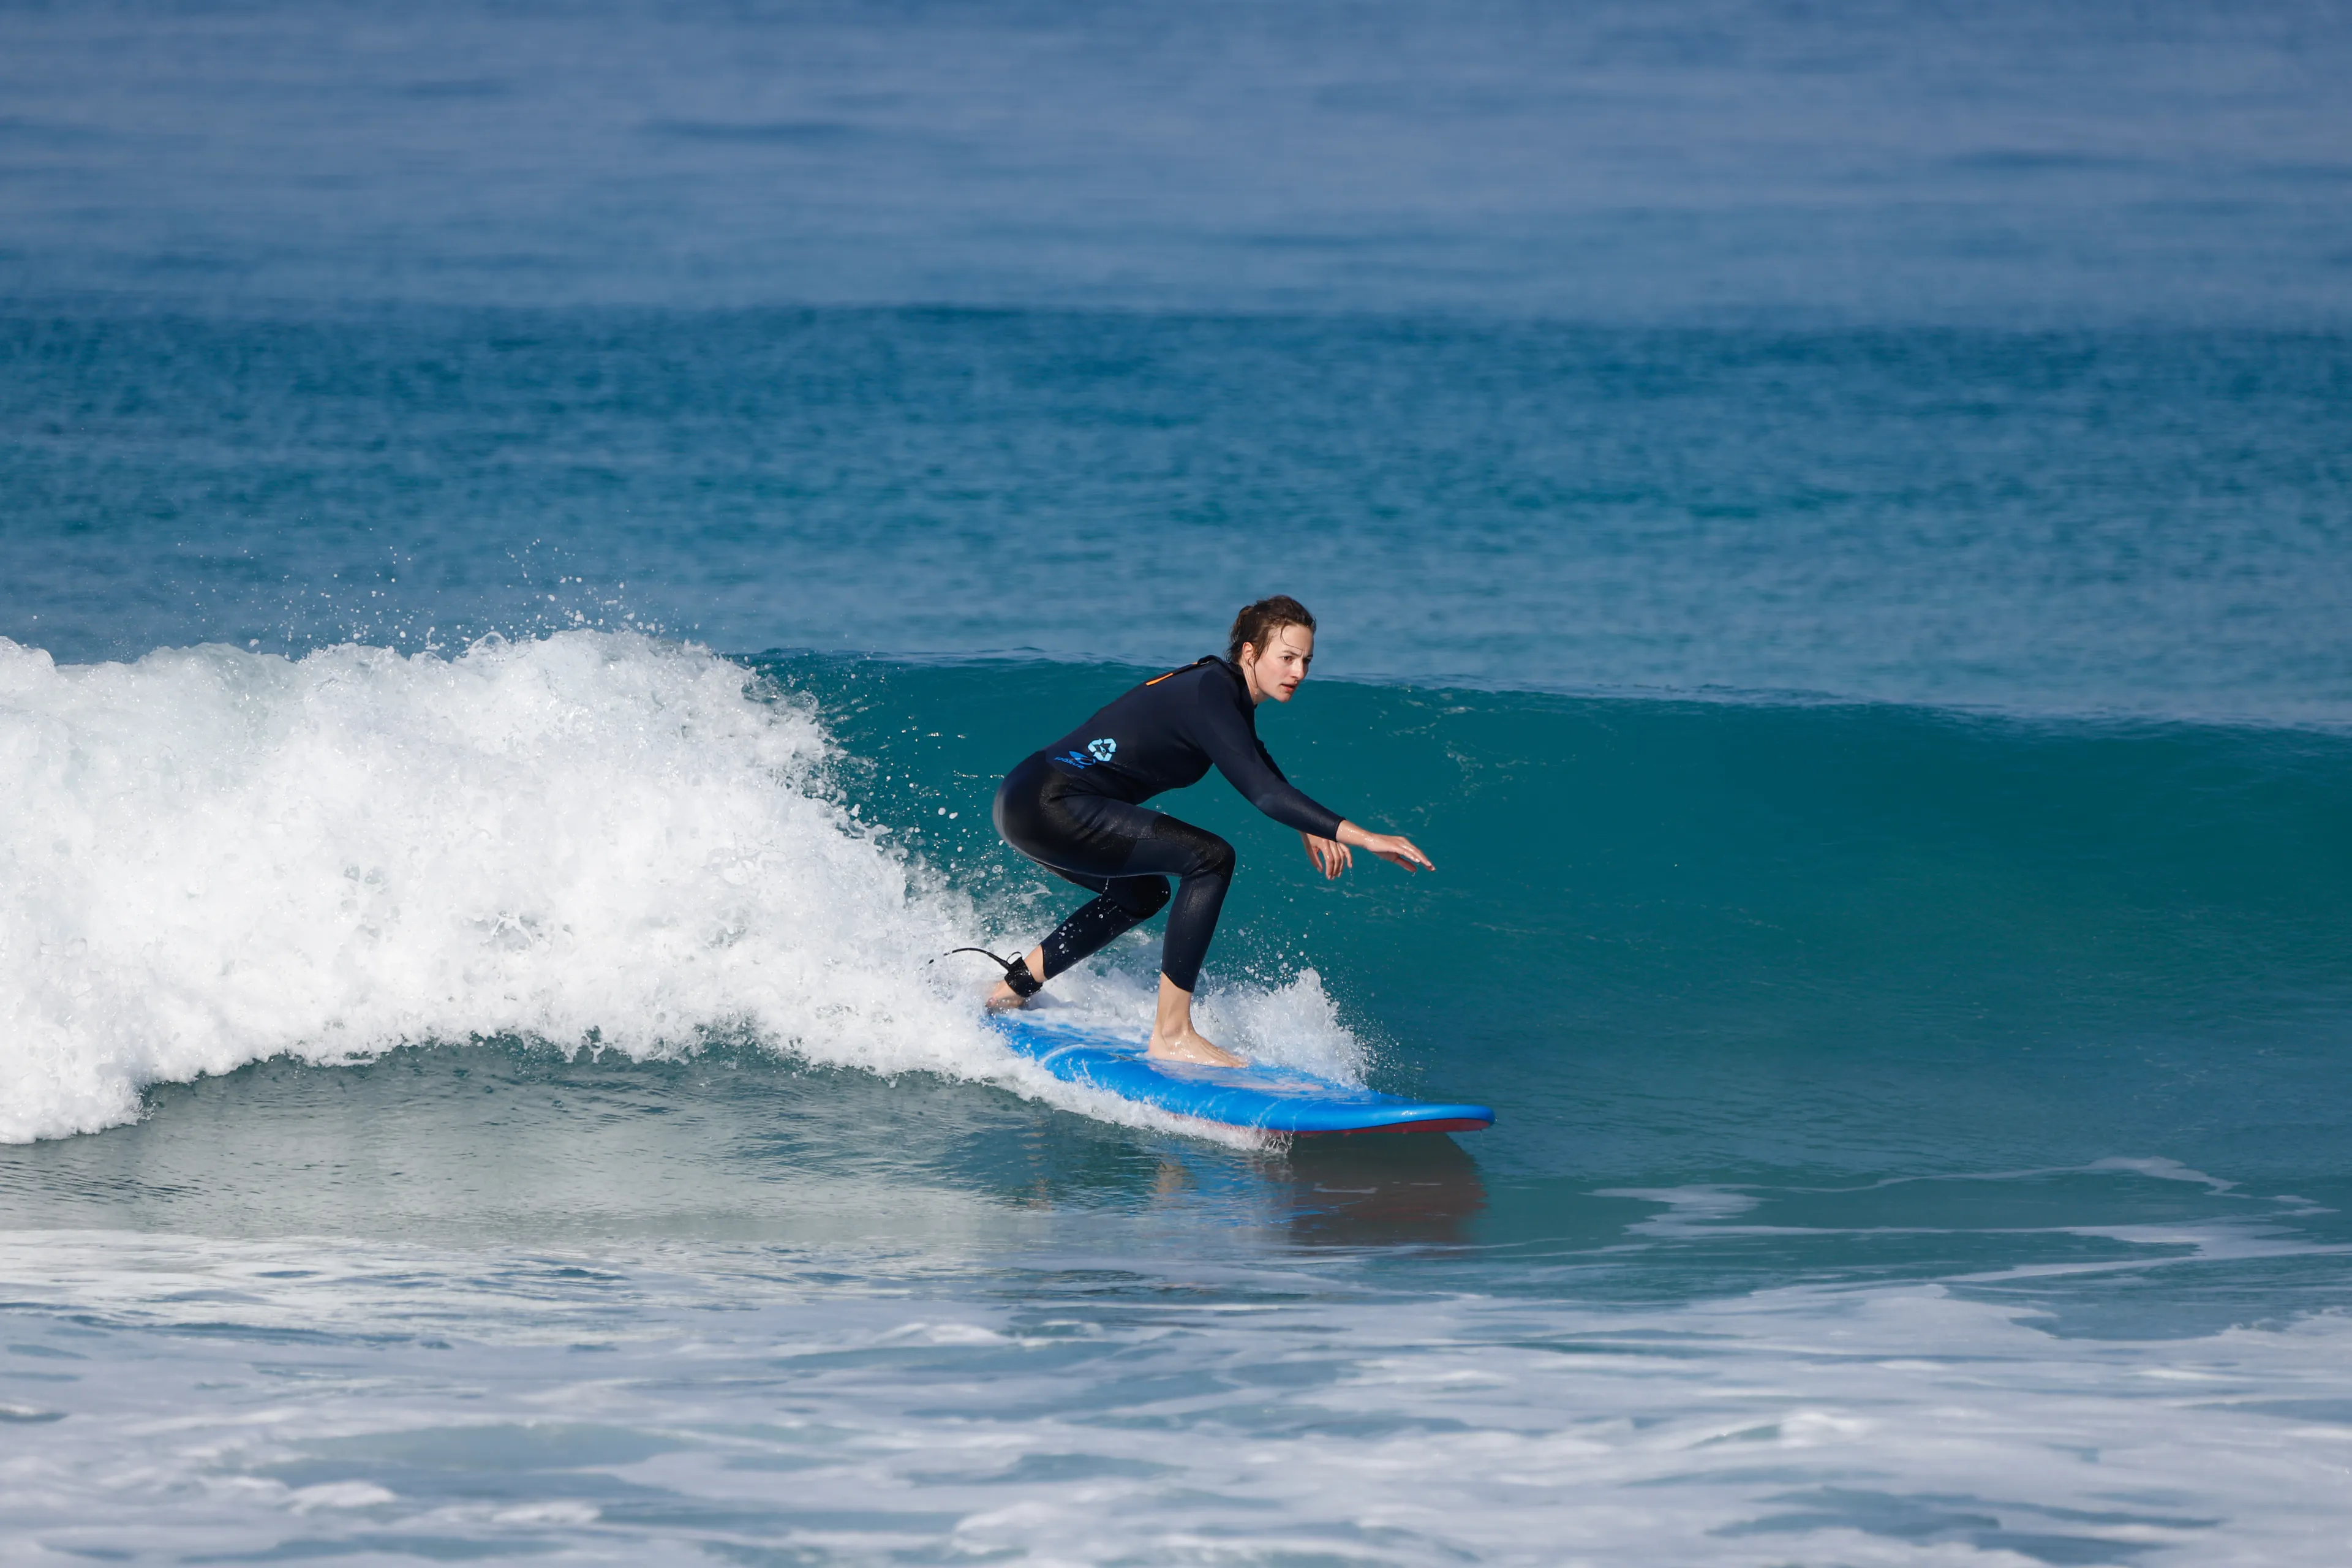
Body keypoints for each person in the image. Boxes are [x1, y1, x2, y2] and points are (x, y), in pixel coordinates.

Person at [979, 595, 1433, 1066]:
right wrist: (1363, 837)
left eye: (1306, 660)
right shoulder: (1211, 693)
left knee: (1143, 894)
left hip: (1026, 797)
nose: (1299, 672)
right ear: (1251, 654)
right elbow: (1265, 793)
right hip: (1053, 803)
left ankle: (1012, 989)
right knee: (1210, 858)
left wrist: (1308, 824)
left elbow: (1255, 762)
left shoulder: (1217, 688)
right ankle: (1172, 1033)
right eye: (1288, 658)